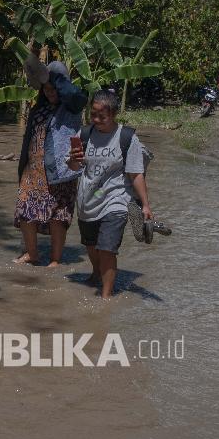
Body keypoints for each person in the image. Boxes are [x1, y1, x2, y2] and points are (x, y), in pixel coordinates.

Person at [68, 90, 152, 300]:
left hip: (116, 200)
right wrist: (73, 158)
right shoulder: (84, 135)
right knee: (91, 245)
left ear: (113, 114)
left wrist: (146, 205)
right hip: (87, 200)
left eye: (101, 116)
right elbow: (73, 166)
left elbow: (135, 174)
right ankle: (96, 273)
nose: (96, 120)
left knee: (107, 249)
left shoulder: (127, 138)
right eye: (93, 114)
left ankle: (105, 298)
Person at [14, 54, 86, 267]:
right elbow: (29, 138)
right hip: (33, 170)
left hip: (60, 170)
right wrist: (22, 167)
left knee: (58, 216)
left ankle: (55, 259)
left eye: (54, 88)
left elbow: (75, 94)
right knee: (25, 211)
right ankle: (32, 254)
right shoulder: (39, 108)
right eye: (46, 88)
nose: (50, 92)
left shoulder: (72, 107)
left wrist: (54, 78)